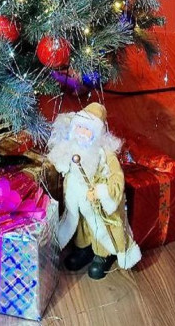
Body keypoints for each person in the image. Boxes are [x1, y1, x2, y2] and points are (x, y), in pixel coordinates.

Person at [47, 102, 141, 279]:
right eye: (79, 127)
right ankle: (83, 248)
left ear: (97, 133)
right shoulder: (70, 146)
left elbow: (116, 178)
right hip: (75, 199)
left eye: (87, 129)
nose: (82, 132)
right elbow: (60, 163)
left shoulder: (104, 154)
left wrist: (101, 192)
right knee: (79, 223)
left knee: (99, 226)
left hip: (96, 203)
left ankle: (102, 254)